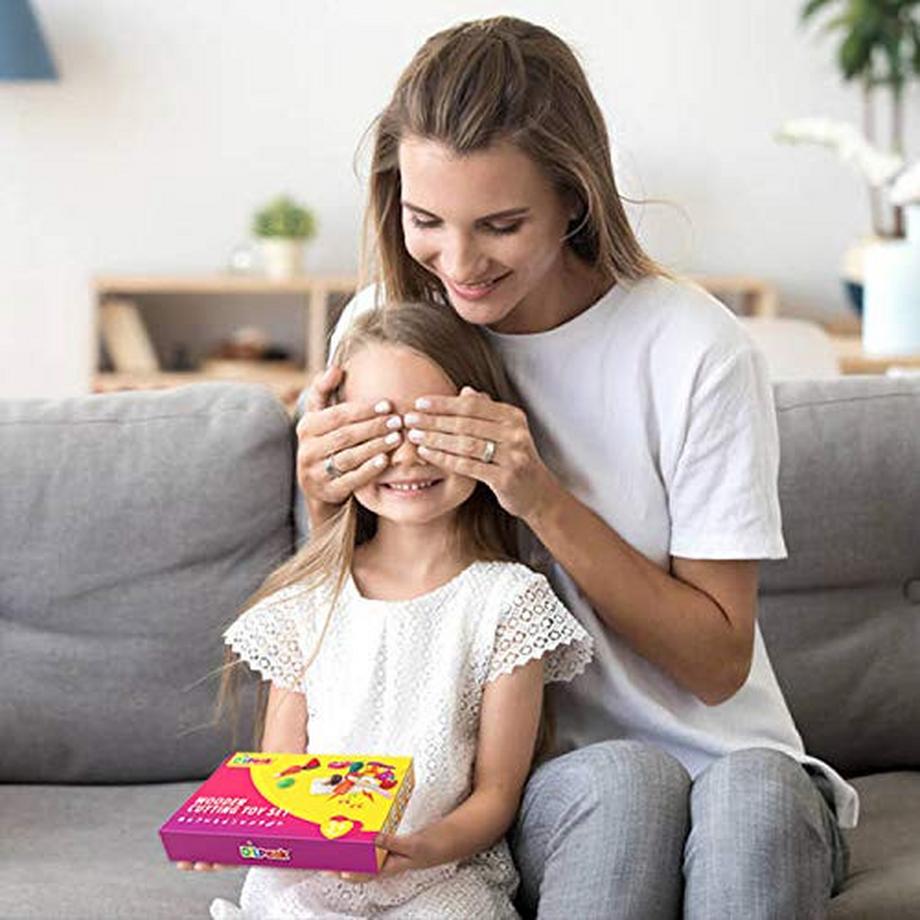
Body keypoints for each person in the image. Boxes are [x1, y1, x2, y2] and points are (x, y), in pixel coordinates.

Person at [292, 15, 858, 920]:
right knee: (624, 790)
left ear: (575, 197)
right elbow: (350, 608)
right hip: (537, 791)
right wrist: (322, 495)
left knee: (751, 793)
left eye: (502, 225)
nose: (460, 265)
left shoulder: (692, 348)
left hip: (731, 763)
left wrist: (541, 497)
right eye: (426, 220)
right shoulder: (388, 323)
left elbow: (717, 667)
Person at [182, 302, 593, 919]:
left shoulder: (509, 603)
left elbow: (495, 795)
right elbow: (278, 776)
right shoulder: (306, 602)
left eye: (430, 427)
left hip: (439, 877)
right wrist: (233, 833)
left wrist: (419, 849)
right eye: (377, 432)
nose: (405, 457)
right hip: (307, 883)